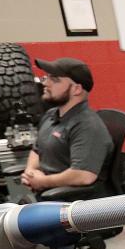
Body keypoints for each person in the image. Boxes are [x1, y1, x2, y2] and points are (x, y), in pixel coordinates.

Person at [22, 57, 113, 196]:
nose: (45, 83)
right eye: (46, 77)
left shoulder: (87, 125)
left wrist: (42, 181)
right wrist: (30, 172)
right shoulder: (51, 115)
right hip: (48, 194)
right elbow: (37, 149)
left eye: (55, 79)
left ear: (76, 89)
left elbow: (83, 175)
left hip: (72, 205)